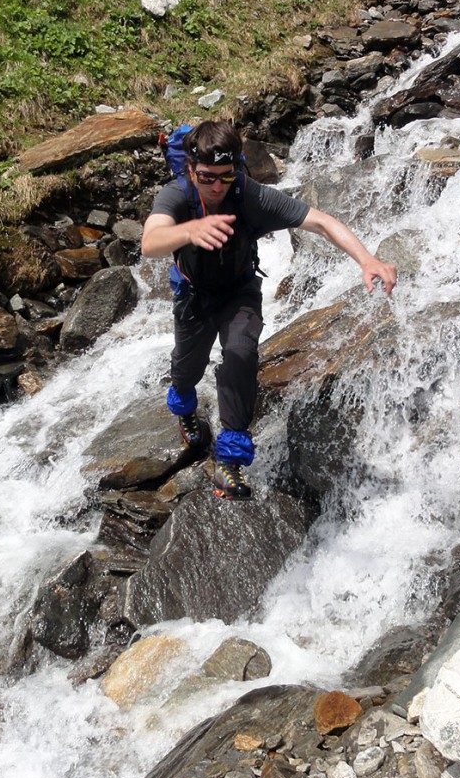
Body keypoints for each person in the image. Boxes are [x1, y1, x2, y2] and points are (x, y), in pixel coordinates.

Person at [141, 121, 396, 500]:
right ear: (191, 169)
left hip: (240, 293)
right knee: (186, 368)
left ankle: (230, 458)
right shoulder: (176, 196)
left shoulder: (250, 196)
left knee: (240, 354)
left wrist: (367, 260)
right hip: (194, 297)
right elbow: (151, 241)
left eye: (226, 177)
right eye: (207, 177)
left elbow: (321, 222)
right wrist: (190, 231)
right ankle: (185, 409)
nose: (216, 187)